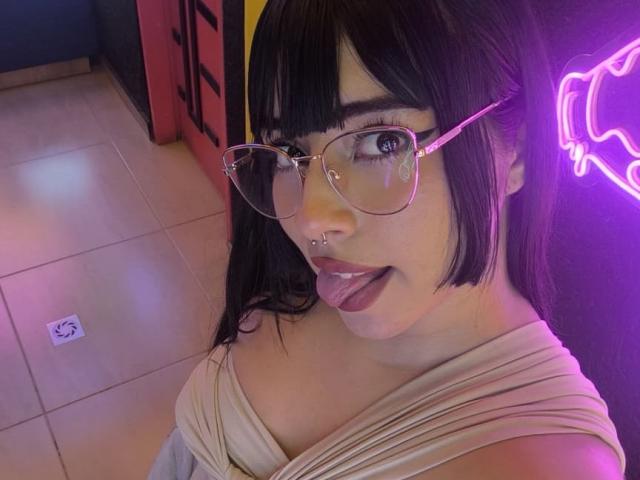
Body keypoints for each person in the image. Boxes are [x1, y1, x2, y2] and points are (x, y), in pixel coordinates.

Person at [148, 1, 627, 479]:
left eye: (383, 142)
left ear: (516, 151)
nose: (311, 219)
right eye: (288, 150)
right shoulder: (286, 290)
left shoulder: (554, 463)